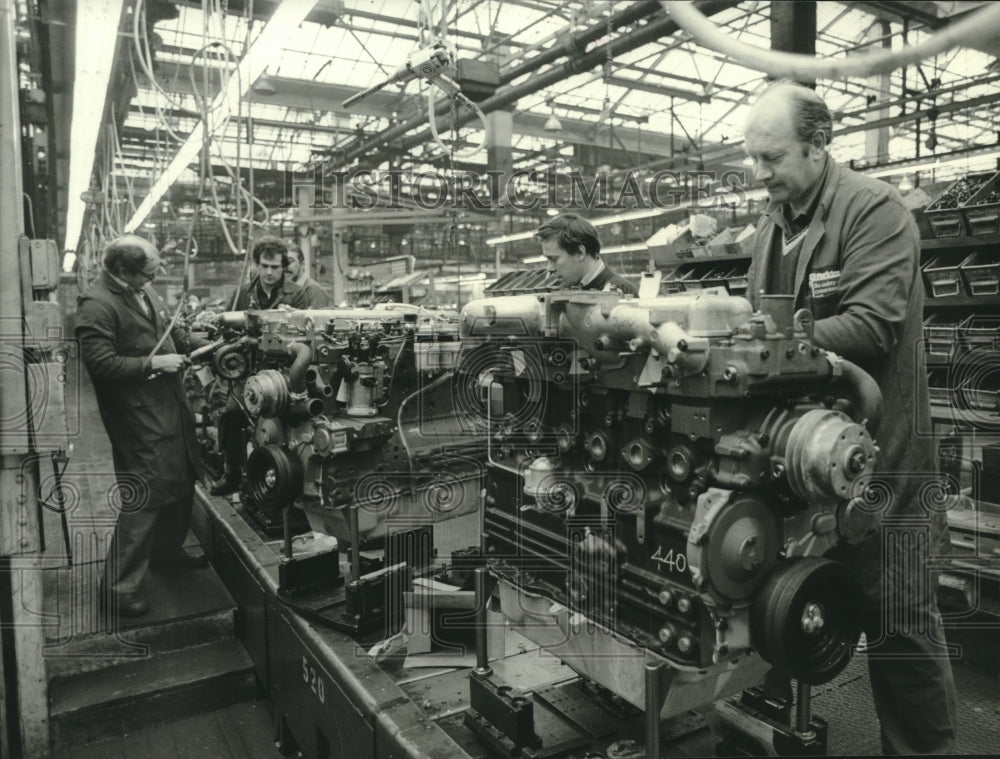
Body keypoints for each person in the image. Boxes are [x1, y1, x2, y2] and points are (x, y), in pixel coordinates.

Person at [743, 79, 956, 755]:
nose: (759, 171)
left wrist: (772, 341)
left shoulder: (876, 211)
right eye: (753, 157)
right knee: (804, 618)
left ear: (819, 145)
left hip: (882, 469)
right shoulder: (770, 227)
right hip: (808, 470)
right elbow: (756, 321)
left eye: (771, 157)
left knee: (901, 636)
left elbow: (871, 325)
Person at [75, 236, 208, 618]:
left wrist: (204, 339)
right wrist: (154, 364)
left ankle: (167, 556)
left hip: (168, 407)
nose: (157, 275)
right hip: (136, 415)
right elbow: (100, 365)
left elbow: (169, 334)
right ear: (121, 271)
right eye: (149, 271)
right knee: (145, 497)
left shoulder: (144, 292)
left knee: (180, 483)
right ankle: (118, 589)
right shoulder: (96, 304)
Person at [211, 237, 308, 496]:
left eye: (275, 267)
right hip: (249, 371)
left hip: (283, 373)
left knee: (286, 424)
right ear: (255, 264)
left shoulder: (296, 295)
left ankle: (284, 481)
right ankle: (232, 473)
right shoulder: (243, 293)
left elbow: (307, 336)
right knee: (231, 415)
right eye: (264, 265)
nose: (268, 272)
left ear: (283, 267)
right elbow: (227, 332)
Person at [534, 213, 639, 295]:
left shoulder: (621, 291)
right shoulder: (571, 287)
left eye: (553, 259)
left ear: (580, 253)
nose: (549, 268)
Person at [287, 243, 332, 307]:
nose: (286, 266)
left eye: (290, 261)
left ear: (302, 264)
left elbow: (317, 316)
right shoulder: (285, 291)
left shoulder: (315, 291)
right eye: (283, 262)